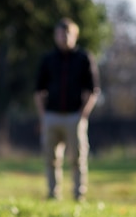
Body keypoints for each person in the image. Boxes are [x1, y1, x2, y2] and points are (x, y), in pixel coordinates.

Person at [34, 17, 100, 201]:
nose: (64, 37)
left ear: (75, 36)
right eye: (60, 34)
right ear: (55, 36)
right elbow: (39, 91)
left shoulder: (84, 58)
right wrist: (43, 116)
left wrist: (83, 115)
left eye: (68, 34)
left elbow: (93, 90)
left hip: (74, 117)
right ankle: (53, 194)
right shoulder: (48, 60)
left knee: (78, 159)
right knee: (51, 159)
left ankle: (79, 195)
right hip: (51, 116)